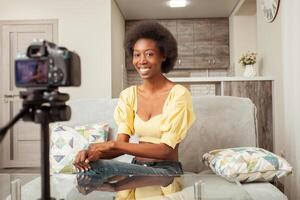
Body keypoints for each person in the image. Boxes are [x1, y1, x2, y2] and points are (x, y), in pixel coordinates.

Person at [73, 20, 195, 177]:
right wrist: (94, 155)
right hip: (136, 167)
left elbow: (166, 150)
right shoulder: (128, 95)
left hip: (166, 170)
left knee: (98, 172)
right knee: (92, 166)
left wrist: (111, 144)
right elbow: (121, 146)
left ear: (163, 56)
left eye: (149, 54)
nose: (142, 60)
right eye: (137, 54)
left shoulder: (178, 94)